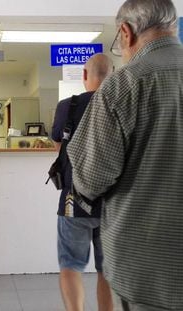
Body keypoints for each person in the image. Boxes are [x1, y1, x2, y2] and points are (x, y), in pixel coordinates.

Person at [67, 0, 183, 309]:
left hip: (148, 266)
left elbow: (91, 180)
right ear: (173, 27)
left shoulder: (123, 85)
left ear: (125, 32)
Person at [51, 53, 114, 311]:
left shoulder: (68, 106)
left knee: (70, 265)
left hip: (73, 200)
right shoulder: (120, 104)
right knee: (107, 269)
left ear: (85, 75)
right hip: (112, 202)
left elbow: (59, 146)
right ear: (113, 75)